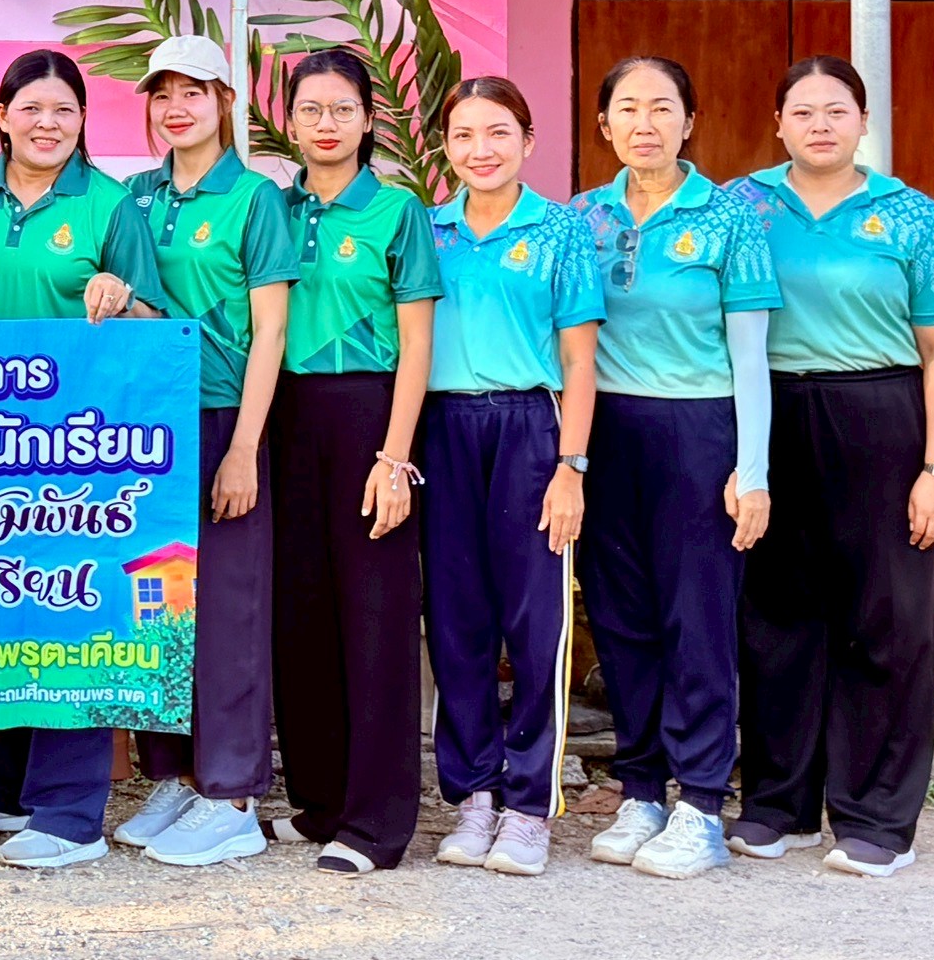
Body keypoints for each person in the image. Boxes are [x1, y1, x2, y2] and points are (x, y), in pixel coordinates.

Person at [728, 56, 934, 879]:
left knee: (887, 619)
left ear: (864, 122)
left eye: (837, 110)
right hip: (771, 415)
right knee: (774, 616)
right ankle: (779, 803)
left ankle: (876, 817)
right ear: (778, 125)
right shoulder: (742, 206)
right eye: (802, 112)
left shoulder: (911, 216)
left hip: (881, 420)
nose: (820, 125)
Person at [0, 48, 168, 868]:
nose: (47, 123)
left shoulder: (109, 203)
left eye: (64, 110)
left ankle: (70, 813)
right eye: (30, 108)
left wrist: (122, 298)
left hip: (77, 446)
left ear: (82, 122)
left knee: (73, 605)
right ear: (1, 116)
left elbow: (155, 322)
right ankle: (2, 784)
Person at [571, 55, 777, 880]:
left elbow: (752, 356)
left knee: (698, 619)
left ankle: (700, 804)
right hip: (606, 433)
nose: (645, 123)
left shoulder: (730, 219)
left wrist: (751, 468)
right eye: (628, 108)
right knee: (620, 617)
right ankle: (641, 791)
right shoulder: (581, 218)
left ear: (690, 122)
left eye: (663, 108)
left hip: (699, 431)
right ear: (604, 125)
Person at [110, 39, 297, 870]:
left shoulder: (255, 198)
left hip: (223, 416)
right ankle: (175, 777)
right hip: (148, 424)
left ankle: (232, 794)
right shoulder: (134, 197)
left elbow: (271, 331)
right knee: (159, 601)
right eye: (163, 94)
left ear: (225, 100)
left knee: (228, 608)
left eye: (194, 91)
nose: (176, 107)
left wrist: (245, 448)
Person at [265, 47, 441, 874]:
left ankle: (376, 823)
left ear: (369, 120)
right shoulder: (273, 208)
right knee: (301, 615)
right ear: (290, 122)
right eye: (310, 109)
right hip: (286, 417)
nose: (326, 124)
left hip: (370, 415)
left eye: (342, 109)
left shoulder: (397, 212)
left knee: (374, 619)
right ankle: (321, 801)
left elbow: (418, 345)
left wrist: (395, 458)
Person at [422, 76, 602, 878]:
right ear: (446, 147)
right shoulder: (430, 231)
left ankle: (528, 806)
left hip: (531, 428)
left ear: (528, 141)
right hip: (444, 430)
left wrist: (571, 466)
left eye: (498, 132)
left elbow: (580, 360)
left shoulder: (561, 231)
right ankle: (473, 797)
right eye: (464, 135)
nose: (481, 149)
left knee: (535, 625)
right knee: (456, 621)